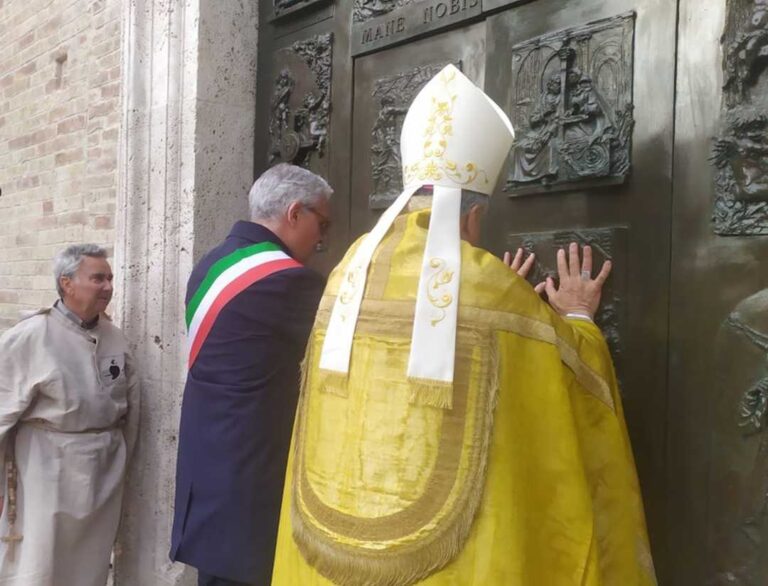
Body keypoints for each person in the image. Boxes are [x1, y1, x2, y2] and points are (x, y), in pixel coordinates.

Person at [271, 65, 656, 585]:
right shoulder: (491, 288)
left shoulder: (347, 272)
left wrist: (502, 297)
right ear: (473, 217)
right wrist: (577, 316)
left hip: (337, 542)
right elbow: (573, 382)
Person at [170, 163, 332, 586]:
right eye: (322, 222)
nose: (323, 239)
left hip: (211, 473)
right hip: (252, 487)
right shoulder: (288, 282)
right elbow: (363, 343)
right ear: (295, 213)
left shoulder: (211, 264)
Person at [0, 243, 140, 586]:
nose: (108, 286)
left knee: (89, 568)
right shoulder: (30, 336)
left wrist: (124, 461)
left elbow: (132, 411)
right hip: (47, 470)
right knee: (40, 563)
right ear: (67, 283)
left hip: (104, 471)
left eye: (110, 278)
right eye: (98, 278)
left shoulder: (115, 337)